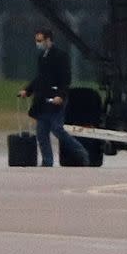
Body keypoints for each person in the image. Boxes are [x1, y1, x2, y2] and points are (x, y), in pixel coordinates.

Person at [18, 28, 89, 167]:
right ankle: (47, 161)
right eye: (36, 41)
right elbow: (40, 78)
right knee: (41, 132)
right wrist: (28, 90)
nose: (38, 43)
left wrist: (61, 95)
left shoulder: (60, 56)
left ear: (48, 40)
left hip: (56, 98)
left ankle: (81, 152)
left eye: (40, 40)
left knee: (57, 129)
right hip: (43, 99)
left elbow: (65, 78)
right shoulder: (42, 57)